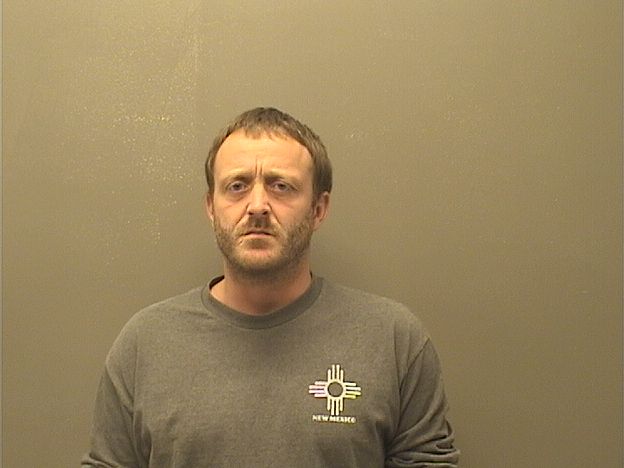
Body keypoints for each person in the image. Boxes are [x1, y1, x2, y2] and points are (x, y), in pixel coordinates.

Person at [82, 107, 459, 467]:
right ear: (211, 207)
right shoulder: (145, 344)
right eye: (237, 186)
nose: (258, 205)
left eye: (281, 186)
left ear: (318, 209)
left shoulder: (392, 339)